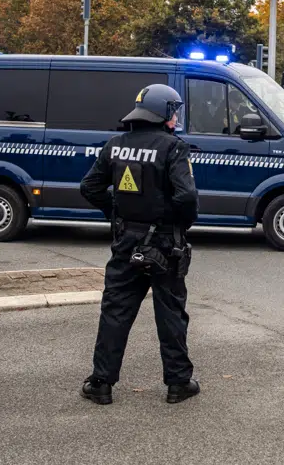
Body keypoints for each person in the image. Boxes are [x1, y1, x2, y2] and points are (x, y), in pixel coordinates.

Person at [81, 84, 200, 406]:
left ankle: (101, 383)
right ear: (163, 113)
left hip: (126, 241)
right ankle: (178, 383)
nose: (176, 117)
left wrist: (116, 213)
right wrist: (179, 224)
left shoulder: (116, 145)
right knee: (171, 311)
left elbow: (89, 186)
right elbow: (186, 196)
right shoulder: (173, 148)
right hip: (164, 243)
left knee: (115, 312)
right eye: (173, 111)